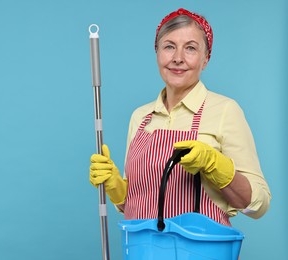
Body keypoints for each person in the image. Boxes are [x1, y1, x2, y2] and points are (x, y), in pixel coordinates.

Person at [89, 8, 271, 225]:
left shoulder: (225, 110)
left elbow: (258, 205)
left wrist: (216, 166)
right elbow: (140, 205)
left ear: (206, 59)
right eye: (169, 47)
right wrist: (116, 187)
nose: (178, 58)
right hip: (144, 250)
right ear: (157, 52)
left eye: (191, 48)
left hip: (202, 251)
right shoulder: (140, 116)